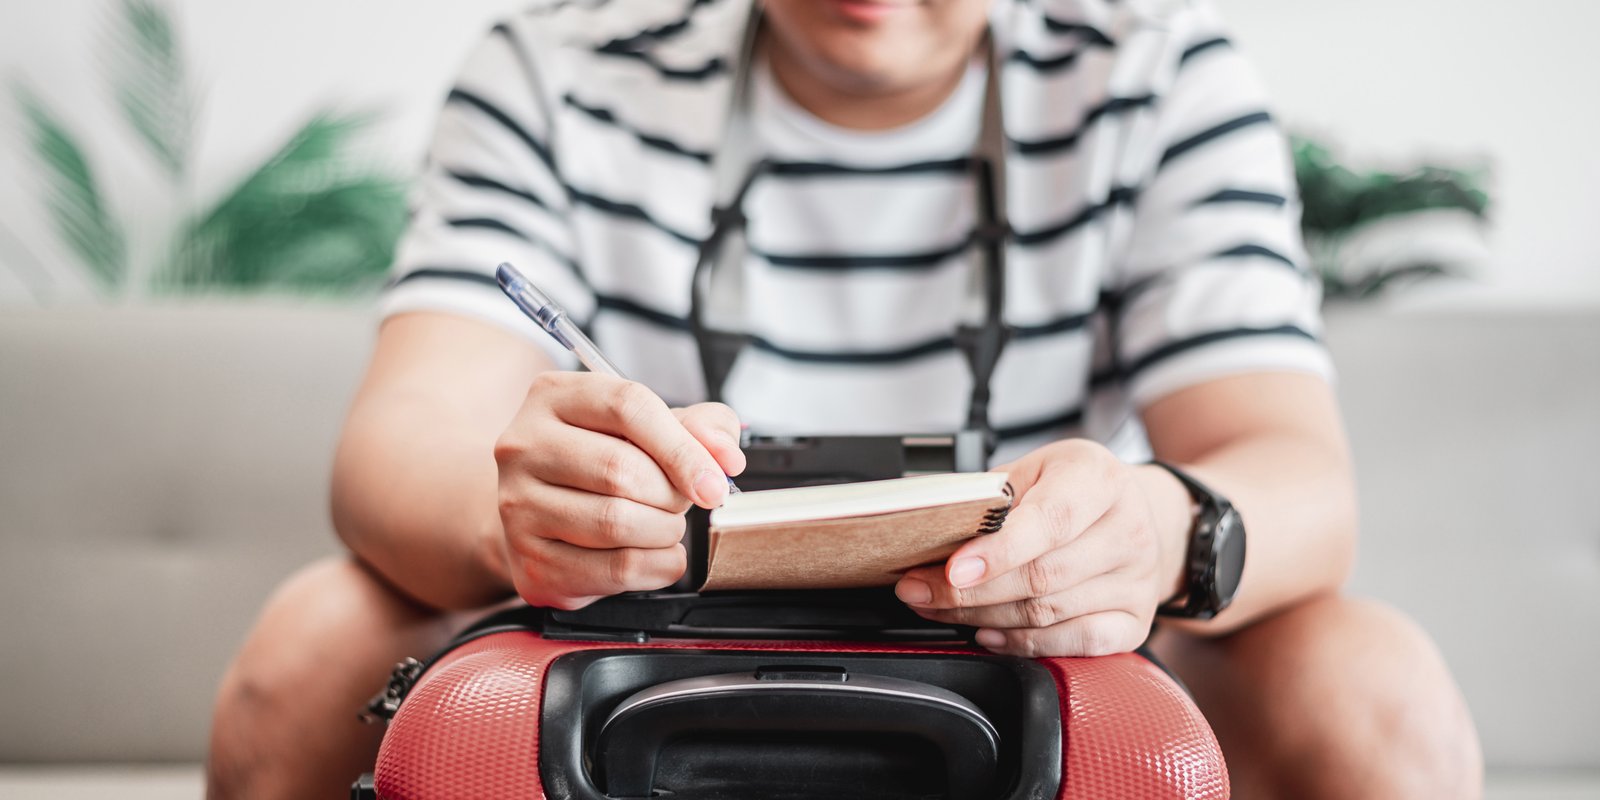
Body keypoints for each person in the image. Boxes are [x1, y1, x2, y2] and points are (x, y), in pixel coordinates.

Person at [207, 1, 1482, 797]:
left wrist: (1152, 530)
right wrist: (530, 518)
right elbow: (399, 443)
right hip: (625, 620)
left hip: (1041, 630)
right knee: (305, 649)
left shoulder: (1154, 76)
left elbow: (1296, 474)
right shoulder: (558, 66)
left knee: (1376, 688)